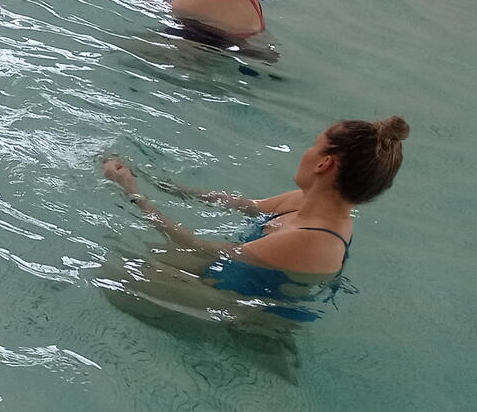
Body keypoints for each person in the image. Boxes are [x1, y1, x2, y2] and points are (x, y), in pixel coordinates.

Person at [102, 116, 408, 323]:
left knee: (115, 275)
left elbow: (194, 245)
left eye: (313, 145)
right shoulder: (305, 201)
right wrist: (156, 180)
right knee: (144, 254)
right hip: (237, 276)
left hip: (253, 314)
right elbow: (238, 204)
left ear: (324, 163)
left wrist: (133, 193)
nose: (306, 152)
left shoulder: (313, 241)